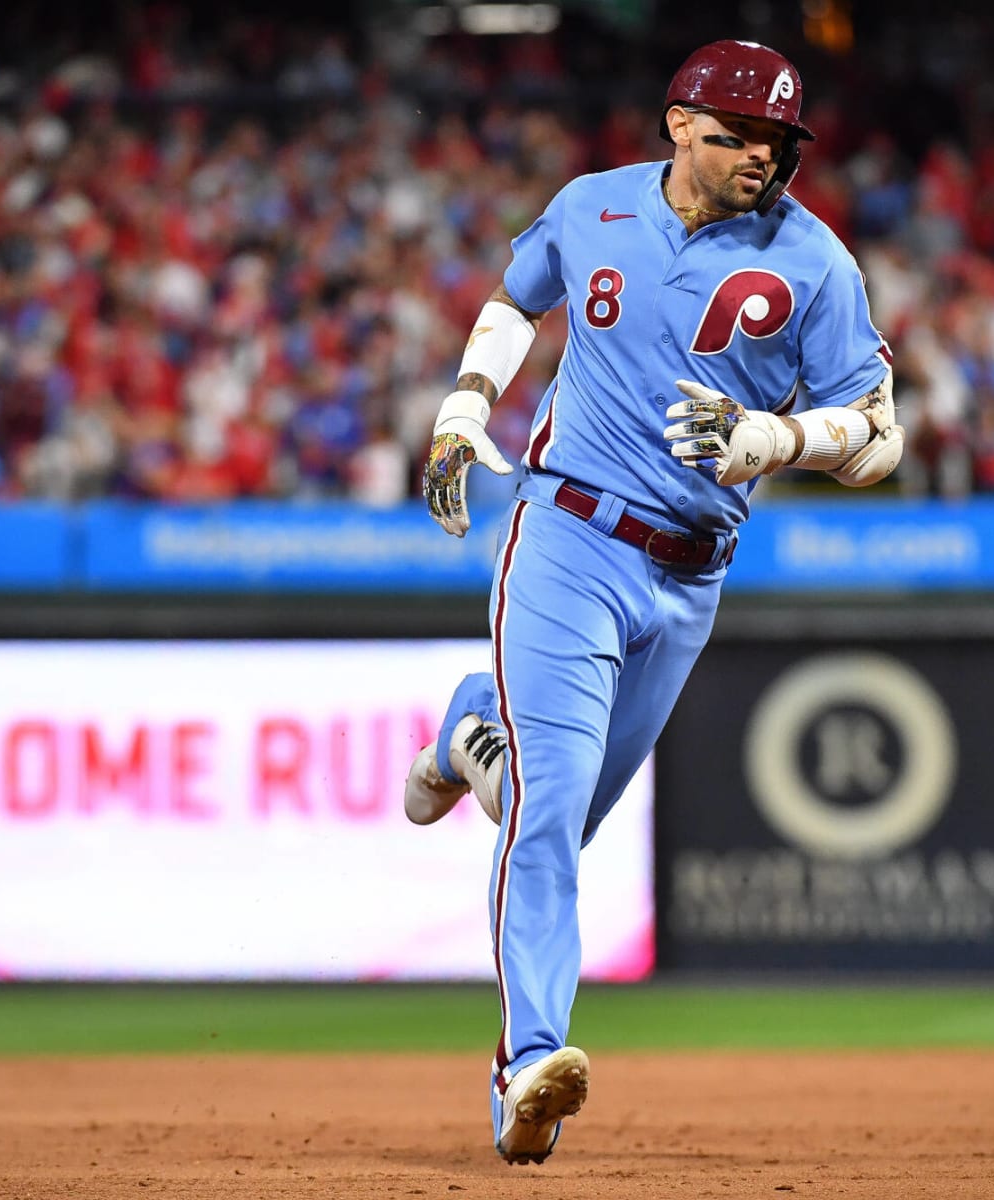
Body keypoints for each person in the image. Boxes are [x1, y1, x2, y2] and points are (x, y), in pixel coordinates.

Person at [402, 39, 902, 1165]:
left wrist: (776, 436)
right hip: (568, 534)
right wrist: (463, 406)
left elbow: (879, 436)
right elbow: (513, 298)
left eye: (778, 142)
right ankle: (528, 1064)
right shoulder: (592, 207)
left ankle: (464, 730)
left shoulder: (816, 262)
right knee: (545, 809)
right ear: (678, 126)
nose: (761, 159)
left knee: (557, 817)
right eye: (737, 137)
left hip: (690, 573)